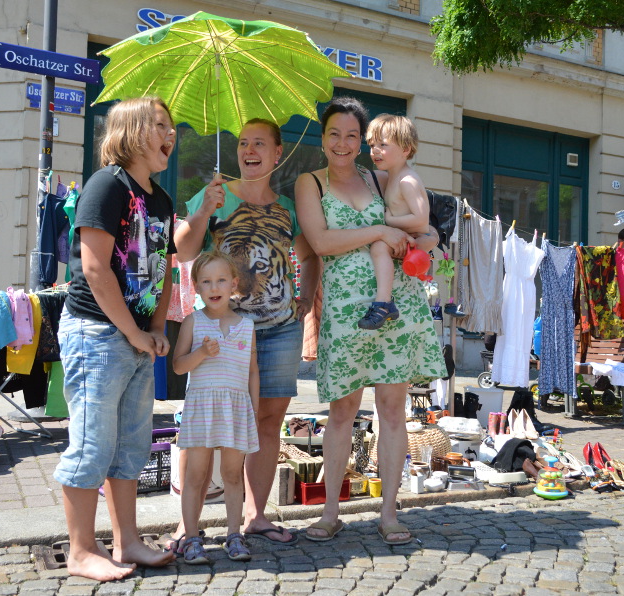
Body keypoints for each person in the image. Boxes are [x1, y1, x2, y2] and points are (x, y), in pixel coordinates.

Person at [294, 96, 446, 545]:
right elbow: (321, 242)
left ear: (363, 141)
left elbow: (422, 218)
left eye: (352, 135)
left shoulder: (377, 177)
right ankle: (329, 512)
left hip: (398, 307)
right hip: (346, 313)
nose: (343, 143)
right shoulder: (311, 182)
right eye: (334, 133)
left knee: (393, 412)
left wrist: (431, 235)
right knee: (341, 412)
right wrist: (381, 231)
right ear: (322, 139)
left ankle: (390, 512)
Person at [174, 118, 319, 546]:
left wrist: (306, 299)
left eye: (259, 143)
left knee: (269, 421)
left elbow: (309, 257)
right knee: (203, 427)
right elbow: (182, 251)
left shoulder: (288, 208)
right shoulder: (215, 195)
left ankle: (256, 516)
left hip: (277, 330)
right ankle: (188, 524)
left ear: (278, 153)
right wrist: (203, 209)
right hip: (222, 332)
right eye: (242, 142)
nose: (249, 150)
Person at [53, 97, 176, 581]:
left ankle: (126, 543)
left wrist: (157, 329)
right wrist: (133, 332)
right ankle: (82, 550)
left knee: (131, 446)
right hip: (97, 335)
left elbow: (165, 272)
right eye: (160, 126)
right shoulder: (107, 186)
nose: (170, 135)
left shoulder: (161, 200)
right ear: (132, 131)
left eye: (171, 128)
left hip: (138, 339)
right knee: (91, 445)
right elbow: (94, 268)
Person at [173, 250, 260, 564]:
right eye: (206, 281)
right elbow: (179, 366)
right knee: (195, 477)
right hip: (202, 407)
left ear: (234, 283)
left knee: (232, 476)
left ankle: (234, 535)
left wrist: (254, 409)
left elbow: (252, 371)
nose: (214, 287)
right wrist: (201, 354)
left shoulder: (246, 326)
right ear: (196, 287)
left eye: (221, 279)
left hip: (236, 409)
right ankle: (192, 538)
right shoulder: (192, 322)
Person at [358, 114, 431, 330]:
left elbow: (421, 220)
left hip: (414, 239)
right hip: (406, 241)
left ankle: (383, 304)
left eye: (383, 144)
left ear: (406, 149)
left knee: (379, 247)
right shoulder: (392, 178)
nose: (374, 151)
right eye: (372, 145)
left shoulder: (407, 181)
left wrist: (388, 219)